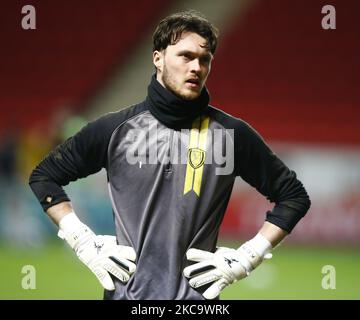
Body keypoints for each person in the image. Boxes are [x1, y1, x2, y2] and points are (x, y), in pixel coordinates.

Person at [29, 10, 311, 300]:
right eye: (186, 56)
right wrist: (82, 241)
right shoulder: (115, 129)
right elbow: (44, 176)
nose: (196, 68)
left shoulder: (231, 134)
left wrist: (248, 257)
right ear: (158, 58)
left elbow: (293, 196)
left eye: (205, 59)